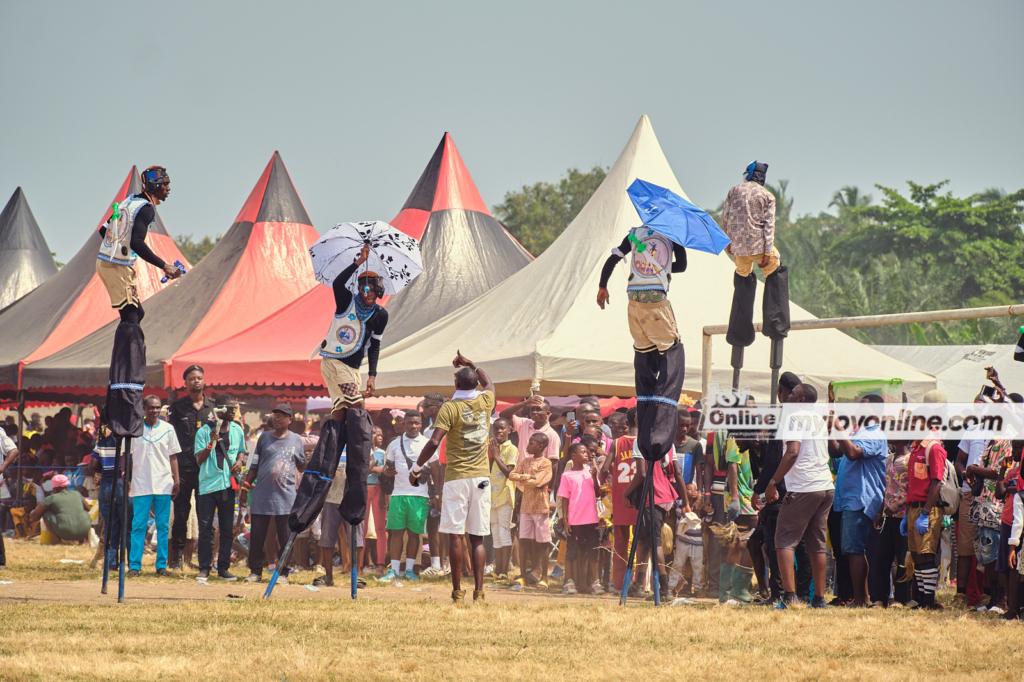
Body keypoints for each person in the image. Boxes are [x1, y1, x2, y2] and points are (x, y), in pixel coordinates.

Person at [596, 222, 687, 464]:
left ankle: (645, 425)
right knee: (673, 352)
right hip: (656, 301)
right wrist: (663, 266)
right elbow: (682, 266)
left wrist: (602, 286)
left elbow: (614, 257)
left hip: (633, 303)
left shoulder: (635, 234)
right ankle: (659, 429)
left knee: (644, 356)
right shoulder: (672, 231)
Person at [411, 352, 496, 604]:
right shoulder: (486, 401)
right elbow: (489, 383)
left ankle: (458, 592)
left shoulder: (450, 407)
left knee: (456, 535)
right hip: (481, 477)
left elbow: (434, 441)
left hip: (457, 477)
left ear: (457, 385)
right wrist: (471, 364)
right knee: (477, 537)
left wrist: (416, 468)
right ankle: (479, 592)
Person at [311, 243, 382, 543]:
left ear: (378, 291)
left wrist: (373, 375)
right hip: (334, 362)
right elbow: (339, 282)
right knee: (357, 408)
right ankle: (354, 451)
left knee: (343, 412)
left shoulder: (380, 315)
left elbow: (375, 345)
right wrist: (358, 262)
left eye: (371, 287)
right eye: (363, 285)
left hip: (354, 369)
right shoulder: (345, 300)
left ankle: (333, 446)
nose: (366, 290)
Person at [766, 384, 833, 609]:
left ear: (801, 400)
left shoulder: (795, 418)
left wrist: (773, 482)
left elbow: (792, 453)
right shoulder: (819, 419)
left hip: (805, 486)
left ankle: (789, 597)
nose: (788, 396)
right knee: (817, 543)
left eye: (792, 394)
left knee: (784, 540)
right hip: (824, 485)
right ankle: (819, 599)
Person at [96, 166, 181, 323]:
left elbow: (103, 231)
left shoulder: (129, 201)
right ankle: (131, 348)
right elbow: (136, 242)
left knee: (135, 314)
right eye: (165, 183)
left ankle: (129, 348)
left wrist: (118, 246)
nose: (168, 188)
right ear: (154, 185)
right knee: (132, 316)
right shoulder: (146, 209)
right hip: (117, 265)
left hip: (106, 262)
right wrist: (164, 265)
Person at [720, 160, 789, 349]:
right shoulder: (768, 196)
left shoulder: (733, 190)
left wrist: (728, 241)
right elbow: (769, 227)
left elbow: (725, 217)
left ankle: (739, 332)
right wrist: (768, 252)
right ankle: (776, 325)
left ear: (748, 174)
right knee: (775, 274)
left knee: (742, 283)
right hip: (760, 249)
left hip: (740, 251)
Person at [829, 394, 888, 607]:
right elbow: (836, 451)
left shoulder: (875, 434)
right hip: (849, 498)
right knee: (851, 549)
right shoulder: (858, 432)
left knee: (855, 549)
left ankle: (862, 599)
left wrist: (838, 426)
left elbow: (853, 453)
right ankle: (860, 597)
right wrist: (833, 430)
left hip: (861, 499)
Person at [240, 404, 306, 584]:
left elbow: (301, 466)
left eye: (282, 416)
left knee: (285, 537)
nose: (277, 419)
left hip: (286, 497)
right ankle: (255, 572)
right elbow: (253, 465)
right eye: (275, 415)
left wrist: (314, 462)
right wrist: (245, 487)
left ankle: (283, 573)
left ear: (290, 420)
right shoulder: (264, 438)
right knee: (257, 536)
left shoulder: (296, 440)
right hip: (262, 495)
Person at [623, 429, 689, 601]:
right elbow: (677, 473)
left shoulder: (641, 441)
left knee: (654, 542)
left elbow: (642, 473)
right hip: (665, 496)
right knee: (643, 540)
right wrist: (686, 502)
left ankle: (665, 590)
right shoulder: (668, 442)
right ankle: (638, 584)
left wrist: (626, 493)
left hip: (652, 496)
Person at [167, 365, 215, 570]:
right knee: (181, 515)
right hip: (184, 469)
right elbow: (171, 441)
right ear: (185, 383)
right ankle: (177, 560)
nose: (196, 381)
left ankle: (205, 561)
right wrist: (174, 476)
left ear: (204, 381)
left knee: (206, 517)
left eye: (200, 378)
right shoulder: (177, 407)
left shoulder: (213, 408)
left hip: (207, 470)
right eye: (192, 378)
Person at [193, 394, 246, 581]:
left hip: (227, 485)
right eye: (232, 409)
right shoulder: (204, 431)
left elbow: (241, 450)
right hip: (207, 485)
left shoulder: (237, 430)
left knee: (226, 528)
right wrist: (211, 444)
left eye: (236, 409)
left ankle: (223, 567)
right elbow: (199, 459)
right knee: (206, 528)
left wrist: (240, 461)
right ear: (220, 409)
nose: (235, 412)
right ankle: (204, 568)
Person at [127, 396, 181, 577]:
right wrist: (125, 476)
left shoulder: (168, 429)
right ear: (143, 408)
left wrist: (177, 479)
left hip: (164, 483)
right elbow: (126, 454)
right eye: (151, 408)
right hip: (141, 483)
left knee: (163, 526)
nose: (155, 411)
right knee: (138, 525)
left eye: (157, 408)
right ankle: (134, 565)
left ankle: (161, 566)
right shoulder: (135, 429)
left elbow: (173, 456)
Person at [379, 410, 432, 582]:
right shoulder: (394, 444)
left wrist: (436, 494)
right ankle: (394, 570)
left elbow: (435, 468)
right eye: (410, 423)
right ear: (403, 424)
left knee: (414, 534)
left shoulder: (427, 443)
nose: (413, 426)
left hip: (419, 495)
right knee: (396, 533)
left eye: (416, 423)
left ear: (421, 424)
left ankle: (409, 570)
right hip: (398, 494)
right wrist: (388, 472)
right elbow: (387, 470)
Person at [905, 434, 948, 609]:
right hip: (914, 508)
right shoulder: (915, 449)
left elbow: (936, 482)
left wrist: (925, 513)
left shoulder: (933, 448)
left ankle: (929, 601)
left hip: (927, 508)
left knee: (927, 553)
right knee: (917, 555)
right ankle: (922, 599)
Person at [509, 433, 554, 591]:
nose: (527, 446)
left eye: (531, 443)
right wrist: (528, 477)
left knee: (543, 542)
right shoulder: (525, 461)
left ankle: (544, 577)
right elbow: (512, 475)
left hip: (540, 507)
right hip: (526, 507)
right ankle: (523, 576)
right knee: (524, 541)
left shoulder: (546, 463)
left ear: (541, 446)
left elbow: (540, 482)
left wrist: (526, 480)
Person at [558, 442, 602, 595]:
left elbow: (598, 493)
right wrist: (565, 520)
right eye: (583, 452)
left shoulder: (590, 472)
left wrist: (595, 476)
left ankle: (596, 582)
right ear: (573, 456)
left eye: (587, 452)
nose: (586, 454)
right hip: (575, 521)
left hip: (591, 520)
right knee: (572, 551)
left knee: (593, 552)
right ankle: (569, 582)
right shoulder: (567, 475)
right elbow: (564, 498)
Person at [873, 440, 911, 607]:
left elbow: (914, 489)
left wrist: (899, 504)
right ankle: (880, 598)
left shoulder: (911, 459)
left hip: (904, 516)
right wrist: (880, 510)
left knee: (903, 558)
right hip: (888, 515)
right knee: (882, 558)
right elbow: (887, 487)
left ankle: (901, 598)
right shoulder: (889, 459)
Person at [418, 393, 447, 577]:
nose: (424, 409)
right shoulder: (427, 431)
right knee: (433, 522)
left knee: (450, 524)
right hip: (431, 480)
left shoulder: (449, 428)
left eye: (427, 405)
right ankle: (436, 564)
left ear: (438, 407)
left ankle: (449, 563)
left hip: (448, 479)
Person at [488, 418, 518, 579]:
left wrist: (496, 456)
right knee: (495, 532)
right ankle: (497, 570)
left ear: (509, 430)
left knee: (504, 532)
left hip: (504, 496)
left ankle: (504, 571)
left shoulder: (511, 448)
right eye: (496, 429)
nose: (499, 432)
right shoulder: (494, 447)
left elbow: (509, 472)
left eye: (502, 429)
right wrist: (492, 456)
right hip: (491, 496)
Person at [29, 473, 91, 543]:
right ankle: (81, 542)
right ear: (66, 487)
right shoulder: (77, 493)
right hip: (84, 531)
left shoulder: (51, 498)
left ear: (54, 489)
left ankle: (58, 541)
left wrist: (31, 512)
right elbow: (88, 508)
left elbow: (35, 516)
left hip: (65, 532)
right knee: (83, 512)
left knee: (46, 513)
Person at [499, 396, 560, 464]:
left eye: (538, 409)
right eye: (532, 409)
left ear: (547, 414)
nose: (534, 412)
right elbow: (503, 415)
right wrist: (525, 403)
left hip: (538, 474)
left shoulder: (552, 435)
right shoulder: (524, 423)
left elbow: (553, 463)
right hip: (520, 473)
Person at [669, 483, 704, 597]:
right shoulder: (679, 503)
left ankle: (697, 589)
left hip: (697, 543)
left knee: (697, 566)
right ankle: (671, 587)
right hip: (682, 541)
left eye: (695, 489)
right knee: (677, 564)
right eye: (689, 489)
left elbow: (707, 519)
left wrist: (709, 511)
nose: (693, 491)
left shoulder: (700, 507)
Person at [366, 426, 387, 572]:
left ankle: (380, 563)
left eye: (379, 434)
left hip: (378, 489)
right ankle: (360, 564)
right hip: (364, 488)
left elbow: (385, 475)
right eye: (373, 433)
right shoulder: (361, 451)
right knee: (362, 527)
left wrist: (384, 494)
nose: (376, 436)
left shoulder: (383, 454)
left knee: (380, 528)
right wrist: (373, 469)